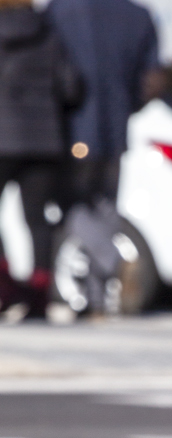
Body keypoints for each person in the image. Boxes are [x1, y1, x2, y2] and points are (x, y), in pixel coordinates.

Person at [0, 0, 82, 318]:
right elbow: (71, 86)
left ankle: (5, 283)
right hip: (44, 142)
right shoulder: (49, 33)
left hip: (2, 140)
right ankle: (38, 296)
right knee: (37, 220)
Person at [46, 0, 163, 210]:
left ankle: (100, 244)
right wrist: (126, 106)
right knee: (104, 210)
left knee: (72, 212)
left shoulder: (58, 11)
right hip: (114, 134)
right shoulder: (139, 15)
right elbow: (151, 82)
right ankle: (103, 243)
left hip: (70, 133)